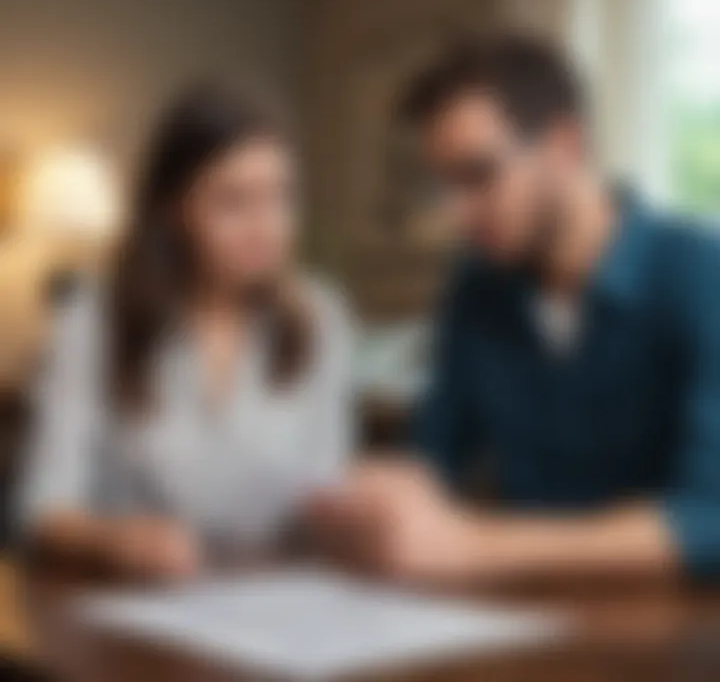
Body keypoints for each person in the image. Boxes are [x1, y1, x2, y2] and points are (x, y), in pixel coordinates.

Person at [307, 34, 720, 585]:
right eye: (446, 186)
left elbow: (708, 520)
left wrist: (476, 544)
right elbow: (435, 463)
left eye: (479, 175)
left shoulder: (699, 275)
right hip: (520, 635)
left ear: (566, 145)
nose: (458, 215)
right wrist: (383, 496)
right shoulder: (477, 289)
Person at [18, 85, 354, 579]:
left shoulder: (320, 316)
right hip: (128, 607)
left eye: (280, 197)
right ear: (175, 210)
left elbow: (328, 493)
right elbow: (44, 508)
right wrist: (113, 539)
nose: (267, 228)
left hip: (273, 603)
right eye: (234, 203)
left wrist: (358, 517)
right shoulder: (96, 319)